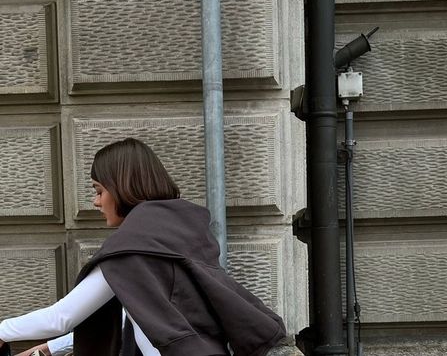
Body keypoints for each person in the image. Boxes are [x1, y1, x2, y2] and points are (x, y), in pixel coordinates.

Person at [0, 138, 286, 356]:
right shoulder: (171, 234)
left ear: (122, 186)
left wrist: (2, 331)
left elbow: (60, 317)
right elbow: (138, 318)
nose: (96, 202)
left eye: (99, 191)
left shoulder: (133, 249)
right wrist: (53, 347)